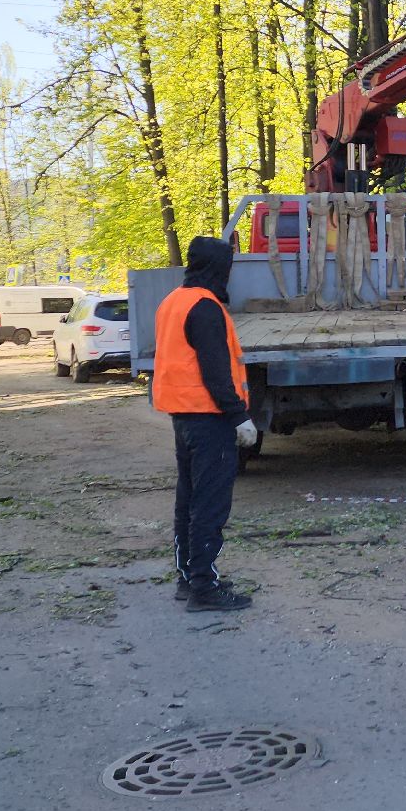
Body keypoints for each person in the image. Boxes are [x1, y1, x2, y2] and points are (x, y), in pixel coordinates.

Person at [152, 236, 258, 612]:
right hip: (209, 417)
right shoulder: (206, 307)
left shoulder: (173, 302)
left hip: (183, 417)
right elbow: (216, 372)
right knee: (210, 505)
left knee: (189, 501)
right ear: (217, 269)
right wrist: (239, 416)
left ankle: (189, 576)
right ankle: (203, 588)